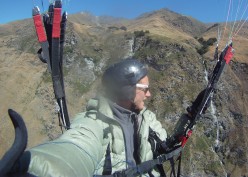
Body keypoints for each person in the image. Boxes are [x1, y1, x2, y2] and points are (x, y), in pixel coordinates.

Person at [12, 59, 167, 177]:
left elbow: (165, 141)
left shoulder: (146, 116)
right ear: (128, 90)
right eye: (145, 89)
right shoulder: (95, 122)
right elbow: (77, 146)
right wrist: (33, 168)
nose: (149, 94)